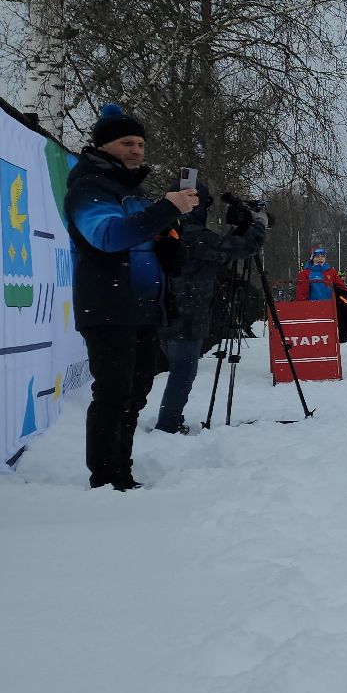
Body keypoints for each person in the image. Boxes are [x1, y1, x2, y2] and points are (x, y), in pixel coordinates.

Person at [64, 103, 196, 489]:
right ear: (104, 145)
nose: (137, 150)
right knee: (113, 393)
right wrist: (166, 208)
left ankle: (123, 469)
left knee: (135, 395)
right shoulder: (88, 187)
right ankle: (106, 479)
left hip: (142, 308)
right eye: (127, 142)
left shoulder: (134, 191)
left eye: (140, 143)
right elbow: (108, 237)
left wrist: (169, 244)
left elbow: (144, 239)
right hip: (108, 306)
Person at [152, 179, 268, 434]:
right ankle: (167, 425)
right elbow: (240, 249)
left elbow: (218, 253)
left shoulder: (169, 227)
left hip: (165, 311)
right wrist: (258, 225)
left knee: (179, 370)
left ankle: (167, 421)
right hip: (185, 315)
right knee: (182, 373)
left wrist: (242, 228)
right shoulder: (192, 233)